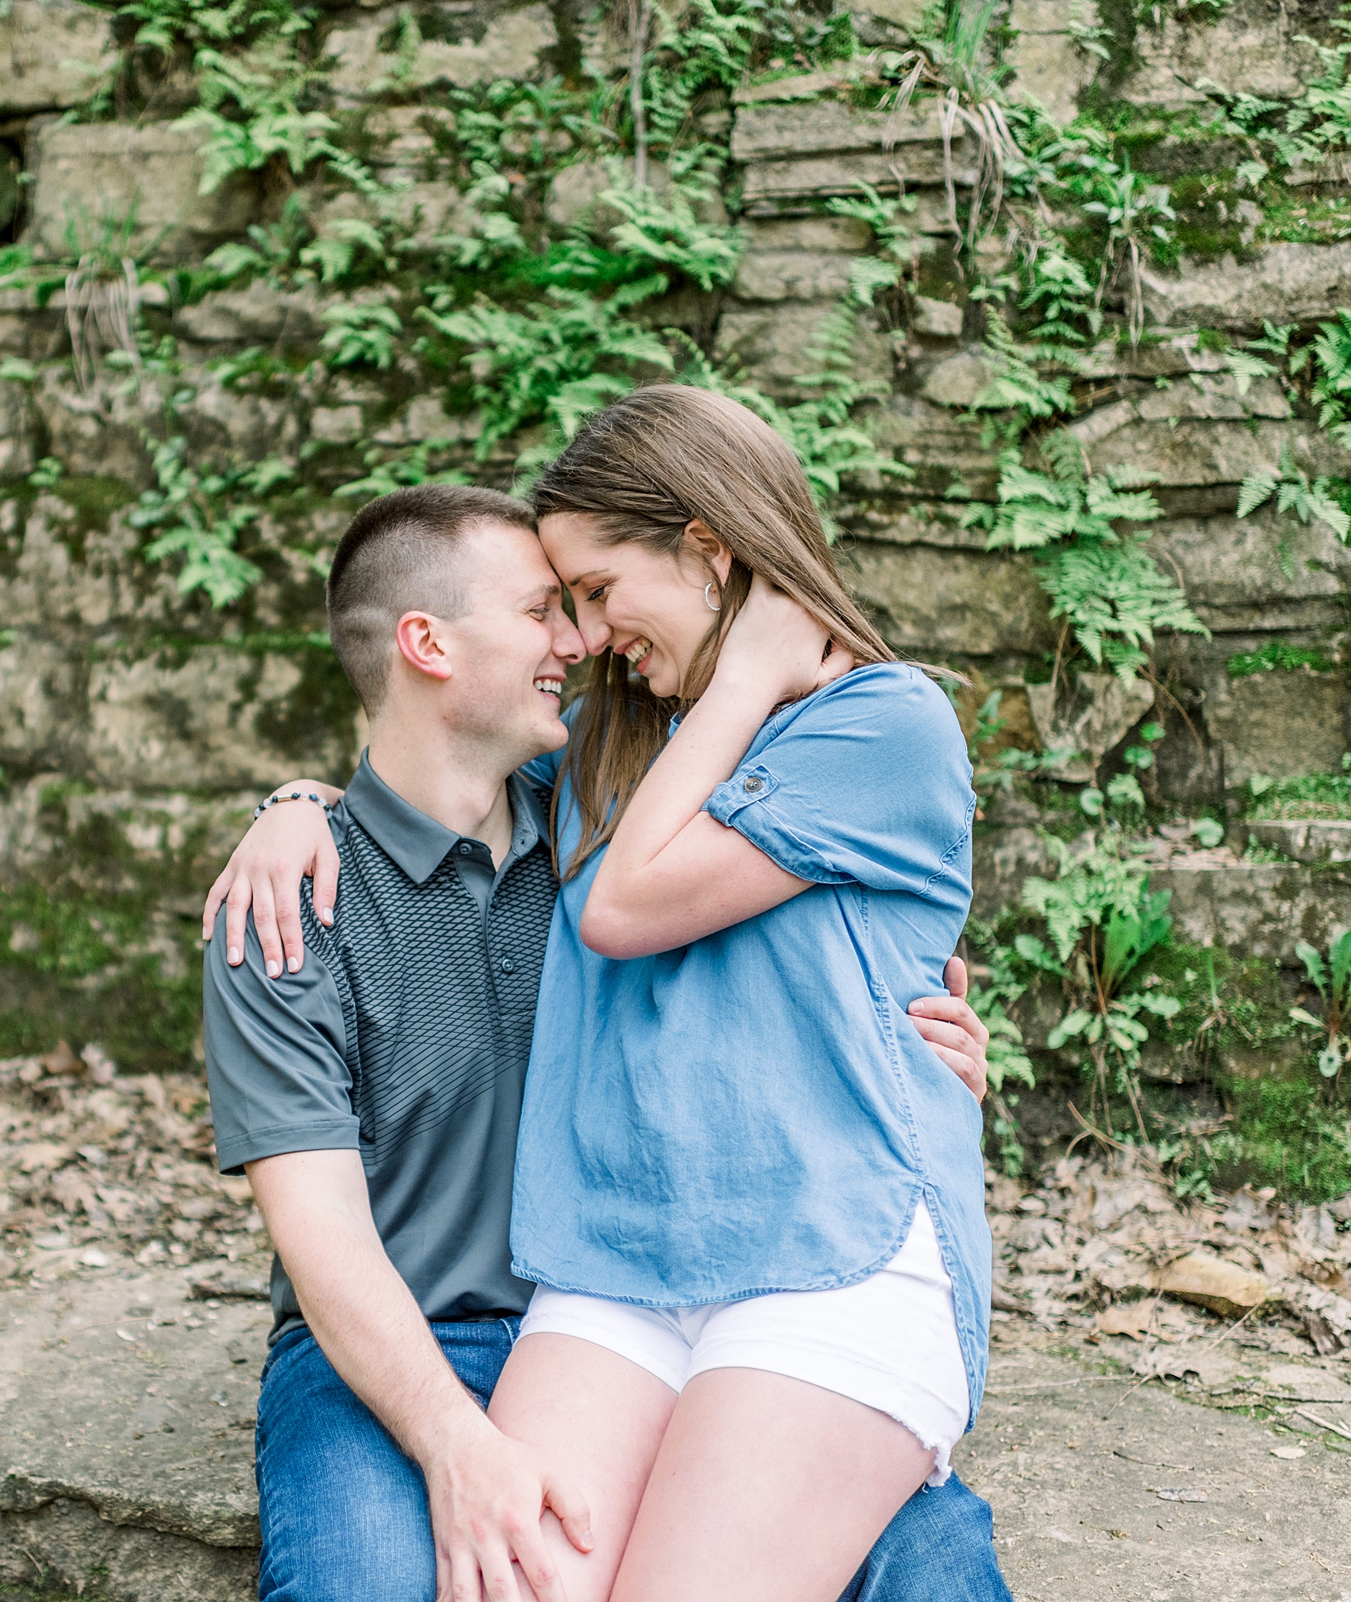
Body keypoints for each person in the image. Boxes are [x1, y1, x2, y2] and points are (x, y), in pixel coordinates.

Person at [202, 479, 1010, 1602]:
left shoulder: (586, 811)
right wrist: (286, 809)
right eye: (548, 609)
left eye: (583, 600)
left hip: (630, 1298)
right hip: (430, 1339)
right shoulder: (294, 904)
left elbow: (773, 945)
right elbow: (322, 1234)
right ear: (427, 643)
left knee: (926, 1565)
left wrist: (915, 1043)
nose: (578, 643)